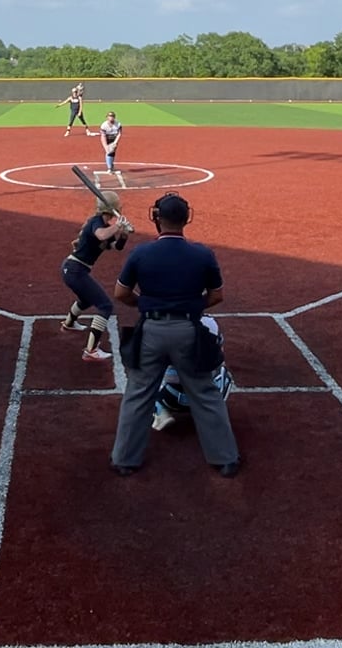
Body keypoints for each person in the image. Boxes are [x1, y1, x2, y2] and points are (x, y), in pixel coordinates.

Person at [109, 192, 240, 478]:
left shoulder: (141, 253)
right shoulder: (202, 254)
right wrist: (190, 306)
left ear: (157, 219)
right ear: (186, 219)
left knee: (138, 392)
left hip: (151, 330)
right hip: (188, 330)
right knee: (205, 392)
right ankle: (225, 459)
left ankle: (125, 459)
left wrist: (146, 305)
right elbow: (216, 295)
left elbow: (121, 293)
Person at [58, 189, 133, 363]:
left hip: (74, 270)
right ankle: (91, 350)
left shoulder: (104, 226)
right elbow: (101, 235)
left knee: (86, 299)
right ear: (113, 208)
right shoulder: (96, 222)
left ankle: (69, 323)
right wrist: (118, 226)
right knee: (105, 306)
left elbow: (116, 246)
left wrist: (124, 234)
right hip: (75, 270)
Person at [151, 315, 234, 432]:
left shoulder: (159, 326)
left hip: (172, 397)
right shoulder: (209, 322)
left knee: (145, 374)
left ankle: (160, 412)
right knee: (221, 368)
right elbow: (219, 356)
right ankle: (212, 410)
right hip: (208, 393)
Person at [97, 111, 123, 175]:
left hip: (114, 139)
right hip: (107, 139)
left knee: (112, 152)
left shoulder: (118, 124)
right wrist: (106, 147)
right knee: (108, 152)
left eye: (112, 116)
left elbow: (119, 134)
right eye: (109, 116)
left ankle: (111, 165)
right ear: (107, 117)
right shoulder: (104, 125)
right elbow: (103, 136)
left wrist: (115, 143)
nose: (111, 118)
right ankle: (109, 168)